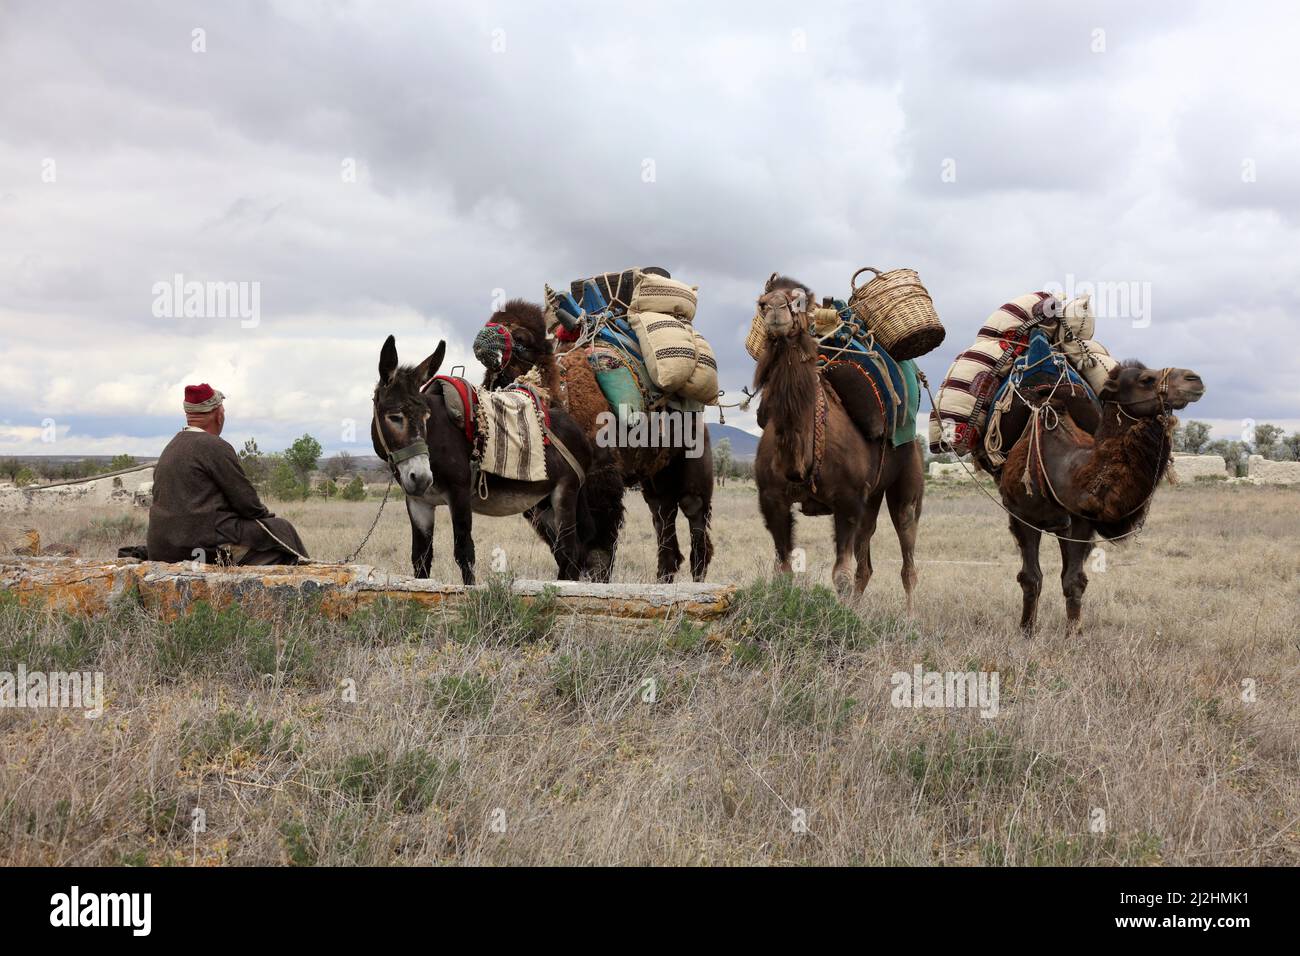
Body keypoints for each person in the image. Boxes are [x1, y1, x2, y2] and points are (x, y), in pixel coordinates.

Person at [146, 384, 309, 565]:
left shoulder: (171, 447)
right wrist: (265, 518)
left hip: (163, 547)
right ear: (218, 414)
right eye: (223, 409)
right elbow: (247, 504)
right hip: (200, 544)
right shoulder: (215, 446)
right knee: (281, 528)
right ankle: (307, 576)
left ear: (189, 415)